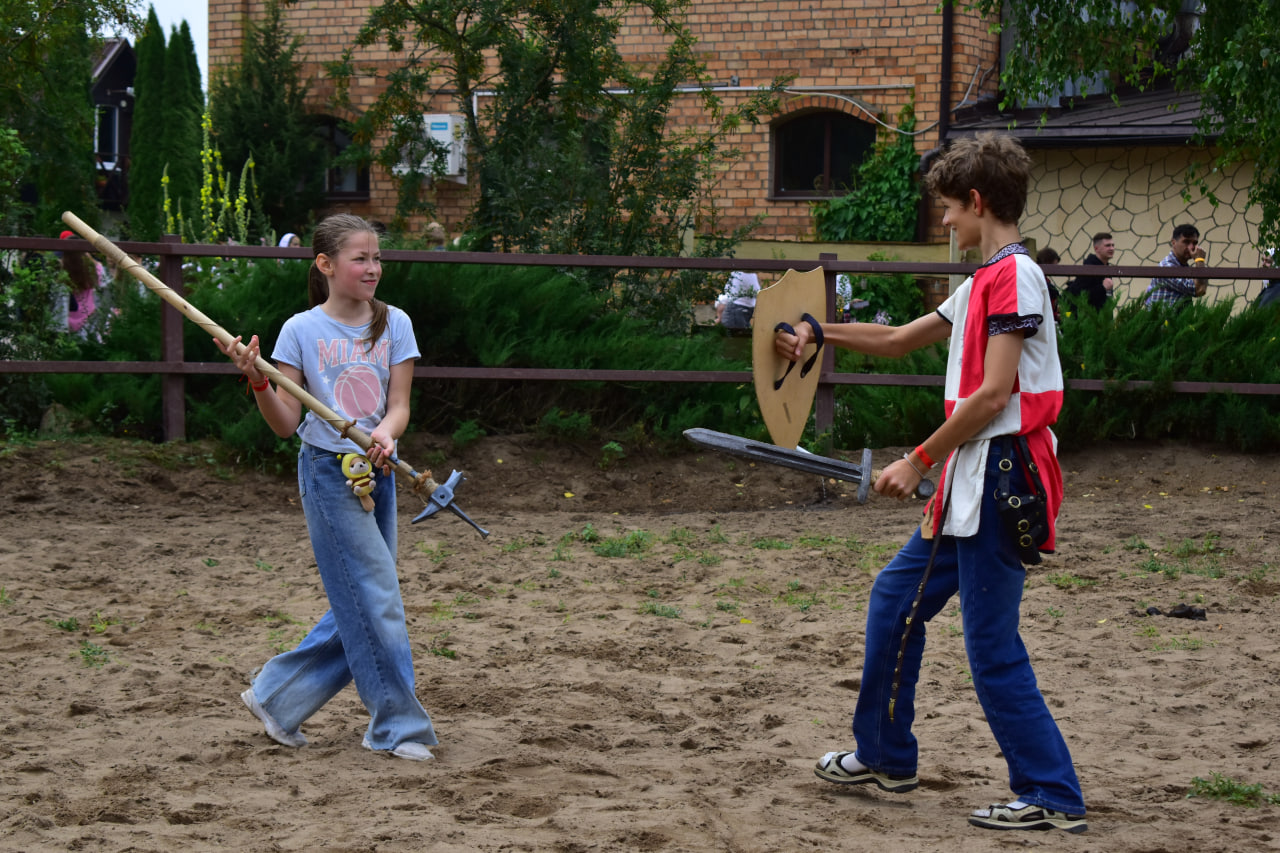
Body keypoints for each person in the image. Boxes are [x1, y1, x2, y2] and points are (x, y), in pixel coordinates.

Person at [776, 132, 1086, 834]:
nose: (944, 222)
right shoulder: (984, 280)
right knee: (894, 600)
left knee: (991, 645)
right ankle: (885, 755)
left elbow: (992, 395)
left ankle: (1051, 792)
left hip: (1001, 475)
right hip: (972, 477)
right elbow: (897, 338)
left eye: (948, 208)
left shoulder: (1013, 277)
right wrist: (819, 332)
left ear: (978, 202)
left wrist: (917, 459)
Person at [215, 214, 439, 762]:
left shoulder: (395, 324)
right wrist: (259, 379)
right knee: (377, 598)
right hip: (327, 473)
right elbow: (286, 423)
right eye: (360, 258)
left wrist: (385, 434)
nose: (373, 268)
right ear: (325, 264)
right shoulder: (301, 330)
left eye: (377, 258)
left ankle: (279, 698)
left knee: (362, 598)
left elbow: (400, 405)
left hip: (380, 471)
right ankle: (396, 728)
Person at [1144, 224, 1206, 309]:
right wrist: (1199, 260)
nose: (1191, 247)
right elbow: (1199, 290)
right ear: (1173, 243)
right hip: (1164, 321)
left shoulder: (1183, 266)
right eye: (1186, 242)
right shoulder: (1166, 267)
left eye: (1194, 243)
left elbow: (1201, 287)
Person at [1066, 232, 1117, 310]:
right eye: (1107, 245)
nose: (1111, 248)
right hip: (1086, 319)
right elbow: (1079, 295)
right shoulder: (1088, 269)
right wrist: (1102, 288)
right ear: (1096, 248)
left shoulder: (1106, 268)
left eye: (1113, 245)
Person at [1034, 247, 1062, 324]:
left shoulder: (1043, 280)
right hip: (1046, 321)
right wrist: (1057, 316)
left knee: (1069, 313)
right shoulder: (1041, 281)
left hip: (1051, 317)